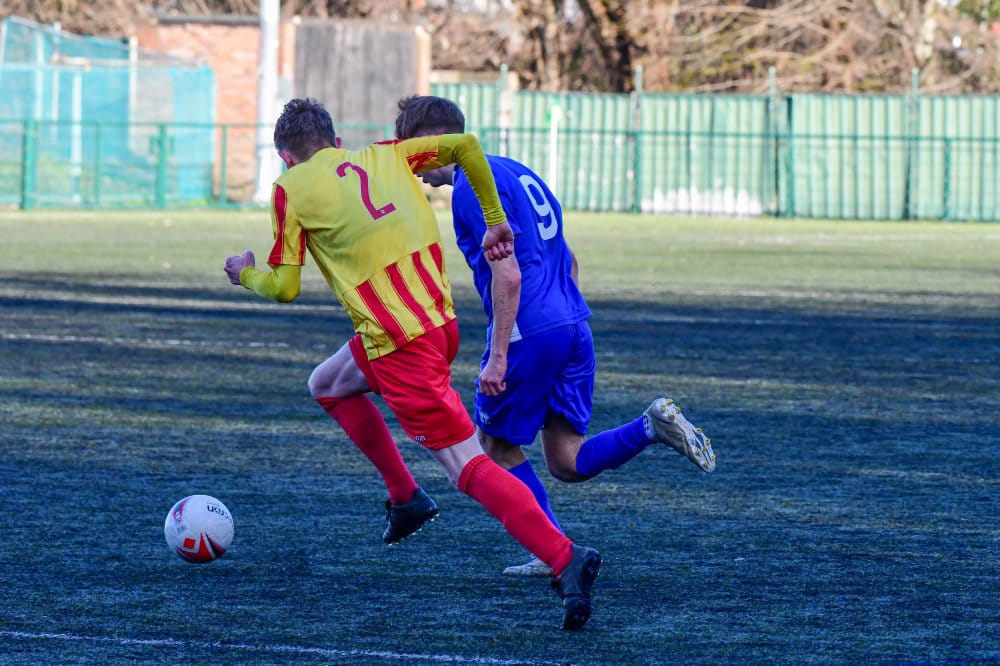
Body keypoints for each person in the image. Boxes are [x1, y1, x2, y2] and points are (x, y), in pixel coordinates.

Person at [223, 97, 600, 630]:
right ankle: (405, 499)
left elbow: (284, 288)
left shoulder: (290, 189)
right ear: (335, 142)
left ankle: (564, 556)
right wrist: (496, 222)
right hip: (437, 326)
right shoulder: (389, 154)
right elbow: (466, 147)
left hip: (400, 344)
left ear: (285, 158)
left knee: (467, 465)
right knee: (327, 383)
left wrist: (245, 273)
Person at [392, 95, 716, 577]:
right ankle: (650, 427)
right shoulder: (519, 171)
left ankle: (554, 553)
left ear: (433, 140)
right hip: (572, 323)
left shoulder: (471, 188)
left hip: (530, 332)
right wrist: (561, 323)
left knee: (495, 447)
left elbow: (508, 275)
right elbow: (569, 257)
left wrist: (498, 356)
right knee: (567, 460)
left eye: (408, 148)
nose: (408, 162)